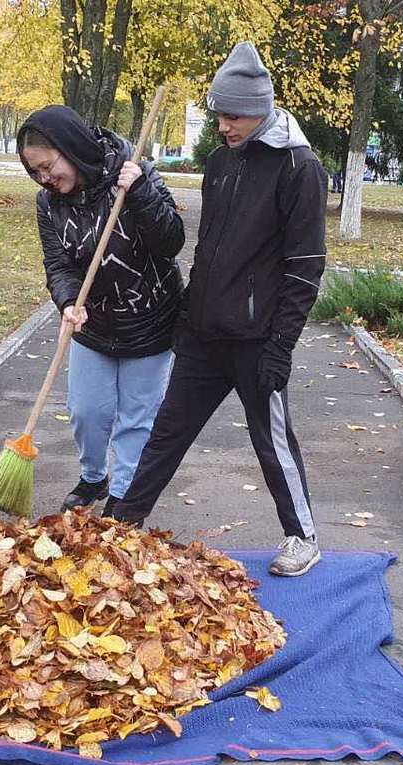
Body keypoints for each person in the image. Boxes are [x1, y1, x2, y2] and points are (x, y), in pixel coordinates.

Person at [112, 42, 328, 577]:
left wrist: (282, 346)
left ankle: (302, 536)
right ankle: (123, 522)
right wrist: (189, 314)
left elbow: (306, 266)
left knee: (271, 440)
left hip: (258, 341)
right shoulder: (221, 160)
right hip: (205, 333)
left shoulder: (299, 168)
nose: (223, 125)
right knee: (168, 430)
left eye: (232, 115)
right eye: (219, 115)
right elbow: (208, 246)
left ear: (261, 109)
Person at [18, 105, 185, 515]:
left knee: (136, 417)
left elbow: (172, 242)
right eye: (35, 172)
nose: (44, 178)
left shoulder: (133, 172)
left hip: (150, 322)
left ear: (69, 148)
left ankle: (125, 496)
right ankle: (94, 477)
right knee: (87, 412)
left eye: (47, 166)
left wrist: (142, 190)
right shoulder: (48, 203)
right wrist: (69, 301)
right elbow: (58, 263)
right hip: (93, 325)